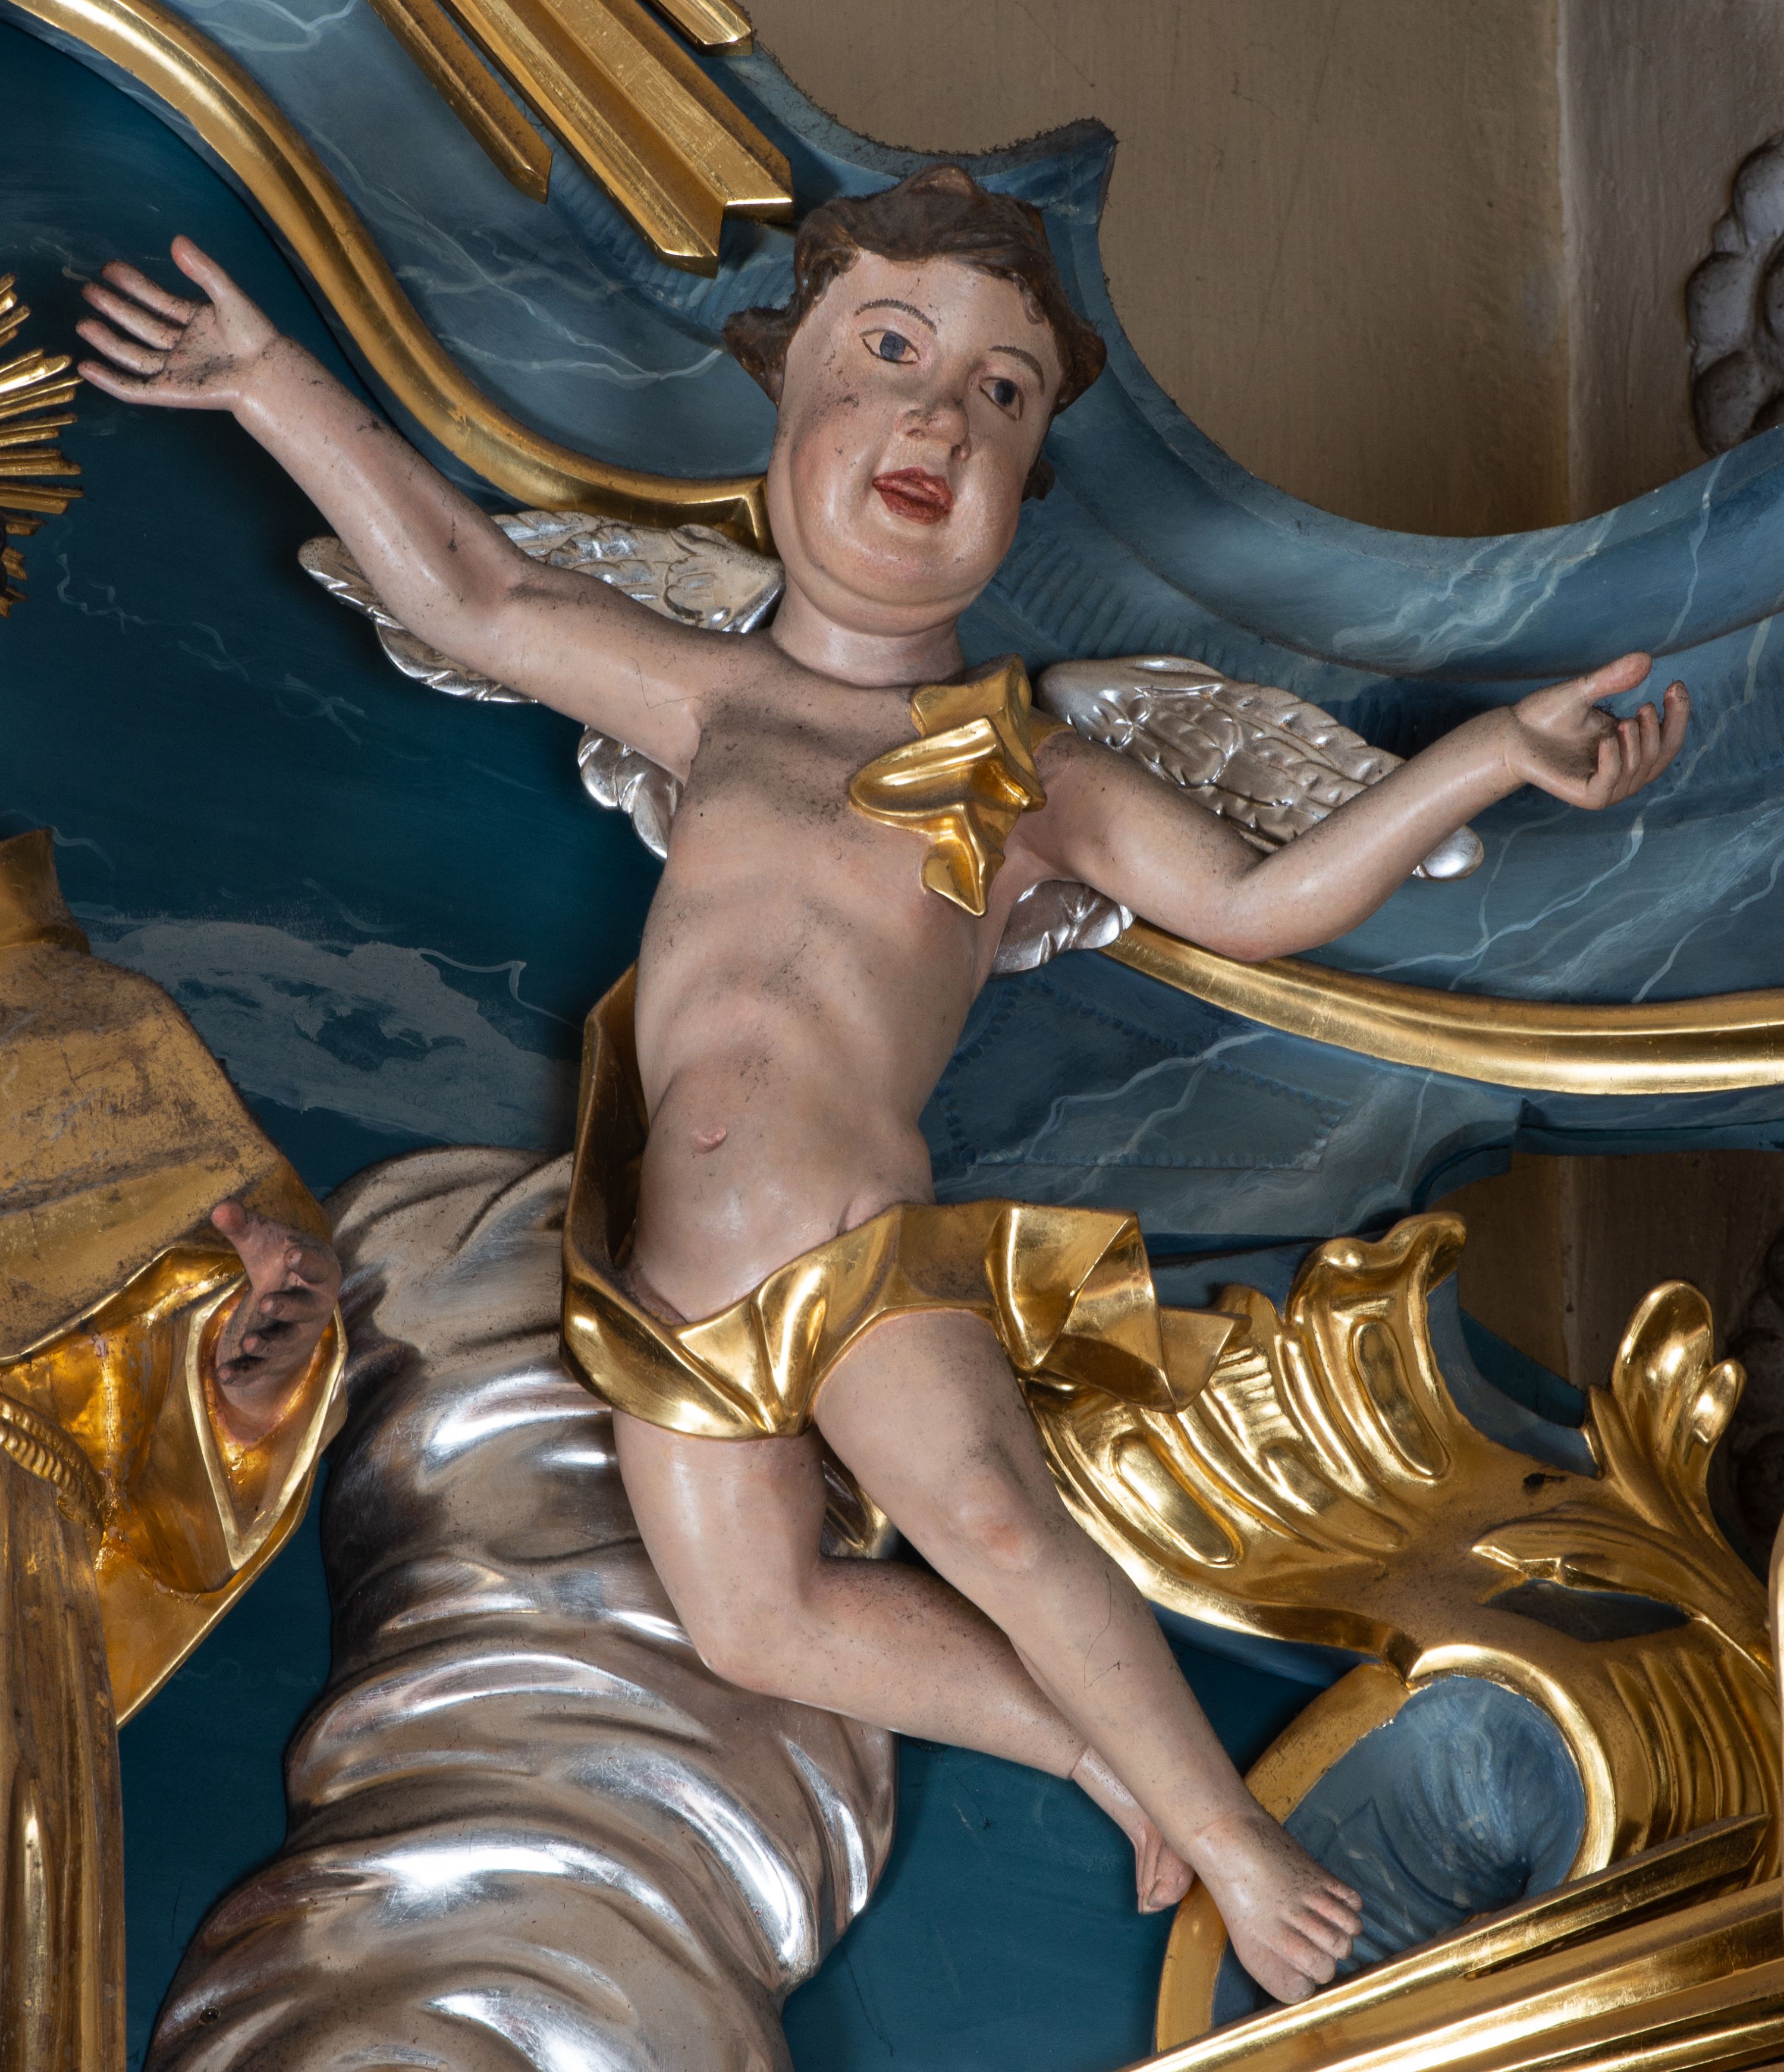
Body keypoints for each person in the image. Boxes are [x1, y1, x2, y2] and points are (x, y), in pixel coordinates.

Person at [76, 164, 1686, 2004]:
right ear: (786, 403)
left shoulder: (1020, 766)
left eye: (1002, 394)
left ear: (1025, 481)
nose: (941, 419)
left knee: (995, 1521)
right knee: (760, 1622)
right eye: (894, 355)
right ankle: (1099, 1748)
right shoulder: (715, 704)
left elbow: (1259, 900)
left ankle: (1237, 1837)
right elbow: (475, 585)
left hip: (853, 1252)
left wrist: (1487, 756)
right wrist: (266, 377)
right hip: (668, 1292)